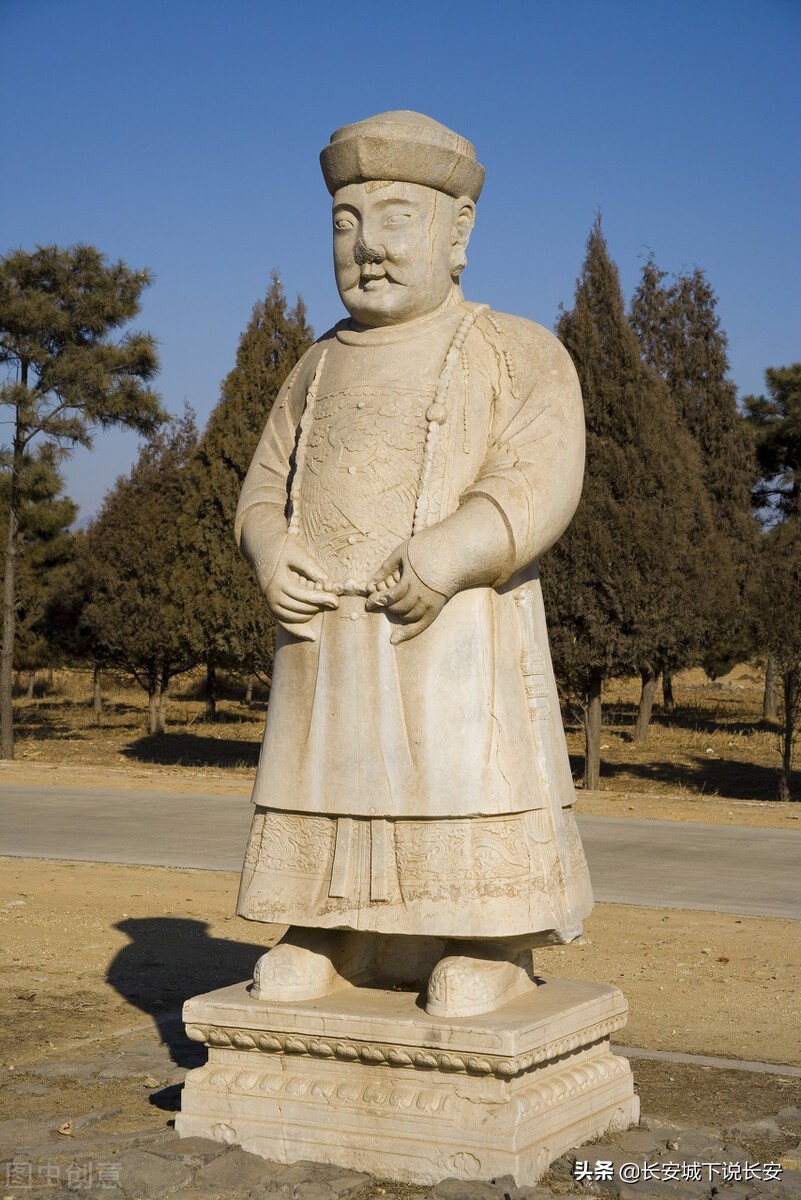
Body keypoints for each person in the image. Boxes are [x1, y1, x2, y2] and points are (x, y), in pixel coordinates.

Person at [234, 111, 592, 1019]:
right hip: (325, 636)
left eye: (395, 218)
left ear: (456, 232)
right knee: (326, 774)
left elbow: (538, 477)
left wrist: (449, 553)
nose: (368, 246)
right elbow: (261, 486)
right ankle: (329, 926)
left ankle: (487, 937)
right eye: (345, 223)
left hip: (454, 630)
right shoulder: (315, 366)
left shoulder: (516, 349)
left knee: (461, 769)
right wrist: (269, 548)